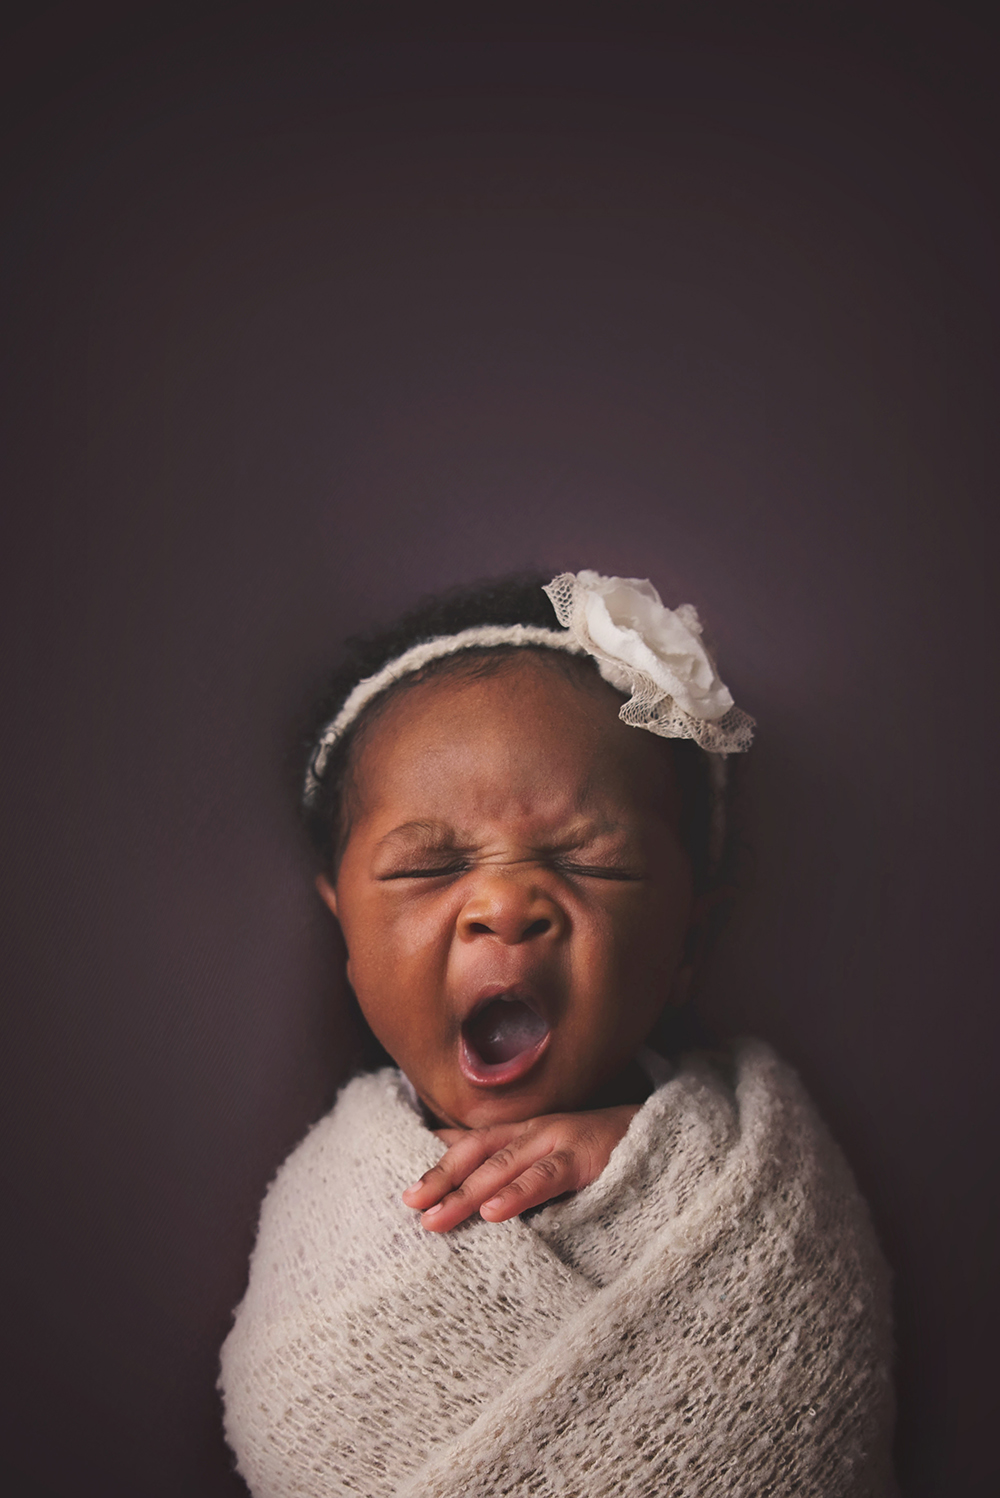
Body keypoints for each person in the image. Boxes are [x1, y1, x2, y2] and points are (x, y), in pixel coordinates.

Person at [219, 570, 895, 1498]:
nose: (504, 906)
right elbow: (294, 1414)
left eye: (590, 861)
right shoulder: (327, 1201)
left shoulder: (753, 1172)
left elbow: (816, 1368)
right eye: (428, 868)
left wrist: (659, 1162)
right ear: (343, 930)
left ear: (688, 939)